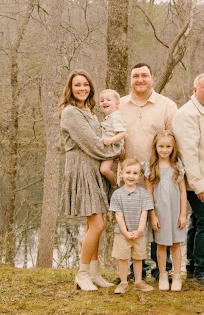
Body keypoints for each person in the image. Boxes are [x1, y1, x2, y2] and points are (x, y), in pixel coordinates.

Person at [59, 70, 119, 291]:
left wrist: (112, 151)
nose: (82, 88)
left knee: (94, 225)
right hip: (81, 169)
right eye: (77, 85)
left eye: (86, 84)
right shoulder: (71, 113)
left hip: (94, 170)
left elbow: (99, 140)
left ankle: (94, 273)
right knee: (98, 224)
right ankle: (82, 274)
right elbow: (93, 144)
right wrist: (115, 151)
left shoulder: (89, 111)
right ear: (70, 88)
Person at [119, 62, 178, 281]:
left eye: (144, 75)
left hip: (160, 176)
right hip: (130, 177)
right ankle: (137, 271)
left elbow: (174, 140)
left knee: (161, 219)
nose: (140, 79)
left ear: (152, 78)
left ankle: (163, 269)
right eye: (136, 76)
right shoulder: (120, 105)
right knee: (133, 223)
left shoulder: (166, 105)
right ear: (130, 79)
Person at [173, 73, 204, 288]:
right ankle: (203, 271)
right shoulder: (188, 114)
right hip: (199, 181)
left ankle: (193, 270)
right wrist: (197, 183)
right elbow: (188, 152)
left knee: (198, 223)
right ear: (195, 90)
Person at [143, 131, 187, 292]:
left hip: (175, 211)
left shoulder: (177, 165)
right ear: (155, 147)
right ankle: (162, 274)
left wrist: (183, 214)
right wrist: (152, 215)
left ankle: (176, 276)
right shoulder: (150, 167)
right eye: (161, 146)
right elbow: (149, 193)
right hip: (159, 211)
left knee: (176, 244)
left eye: (168, 146)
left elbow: (183, 191)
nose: (164, 150)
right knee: (161, 245)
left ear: (173, 147)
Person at [110, 158, 154, 294]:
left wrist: (140, 230)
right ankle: (123, 282)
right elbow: (118, 215)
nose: (131, 176)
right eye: (128, 172)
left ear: (140, 176)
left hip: (139, 233)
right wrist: (125, 231)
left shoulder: (143, 194)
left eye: (135, 173)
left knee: (138, 257)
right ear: (121, 173)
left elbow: (144, 213)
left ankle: (138, 281)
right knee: (123, 258)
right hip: (122, 233)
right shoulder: (117, 194)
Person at [99, 89, 127, 188]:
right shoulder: (109, 117)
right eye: (102, 101)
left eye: (108, 100)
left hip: (113, 147)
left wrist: (111, 140)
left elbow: (123, 133)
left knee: (104, 169)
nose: (104, 102)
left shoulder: (116, 117)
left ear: (117, 104)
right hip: (108, 147)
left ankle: (114, 186)